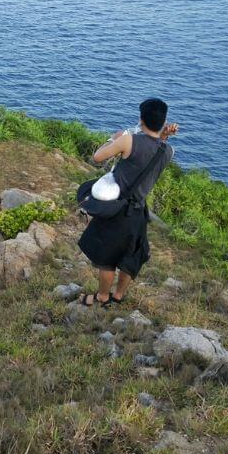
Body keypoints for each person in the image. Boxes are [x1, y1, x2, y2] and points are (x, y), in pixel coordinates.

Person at [78, 98, 178, 307]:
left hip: (117, 209)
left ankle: (102, 297)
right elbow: (154, 149)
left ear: (141, 119)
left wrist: (113, 138)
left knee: (106, 258)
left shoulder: (129, 140)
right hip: (138, 211)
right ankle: (118, 296)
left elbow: (97, 157)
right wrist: (164, 136)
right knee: (129, 256)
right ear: (164, 121)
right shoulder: (167, 152)